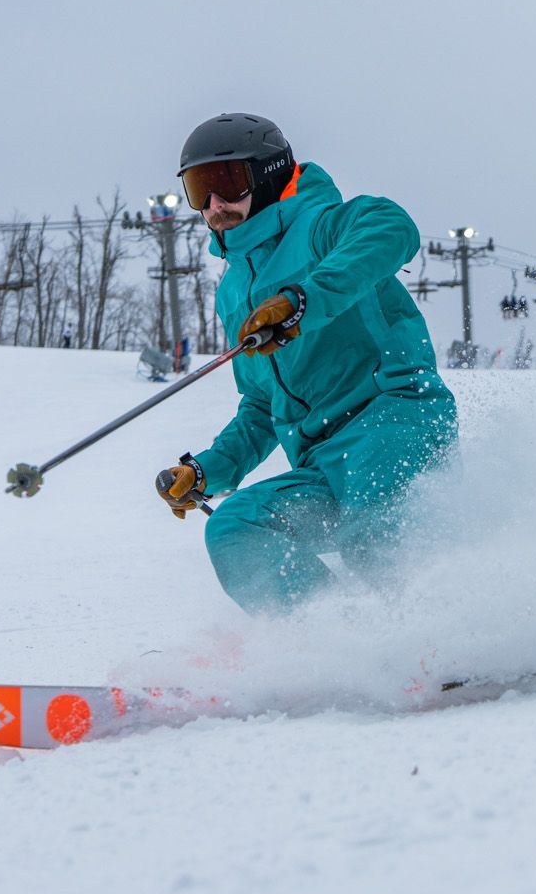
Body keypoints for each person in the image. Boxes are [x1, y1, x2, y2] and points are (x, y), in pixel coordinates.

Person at [155, 113, 457, 612]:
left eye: (227, 183)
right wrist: (208, 470)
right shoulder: (234, 292)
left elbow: (391, 226)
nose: (213, 205)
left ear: (269, 175)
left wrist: (304, 299)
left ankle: (445, 631)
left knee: (374, 533)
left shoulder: (321, 226)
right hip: (321, 462)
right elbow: (260, 404)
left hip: (394, 423)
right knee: (236, 525)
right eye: (199, 189)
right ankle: (327, 644)